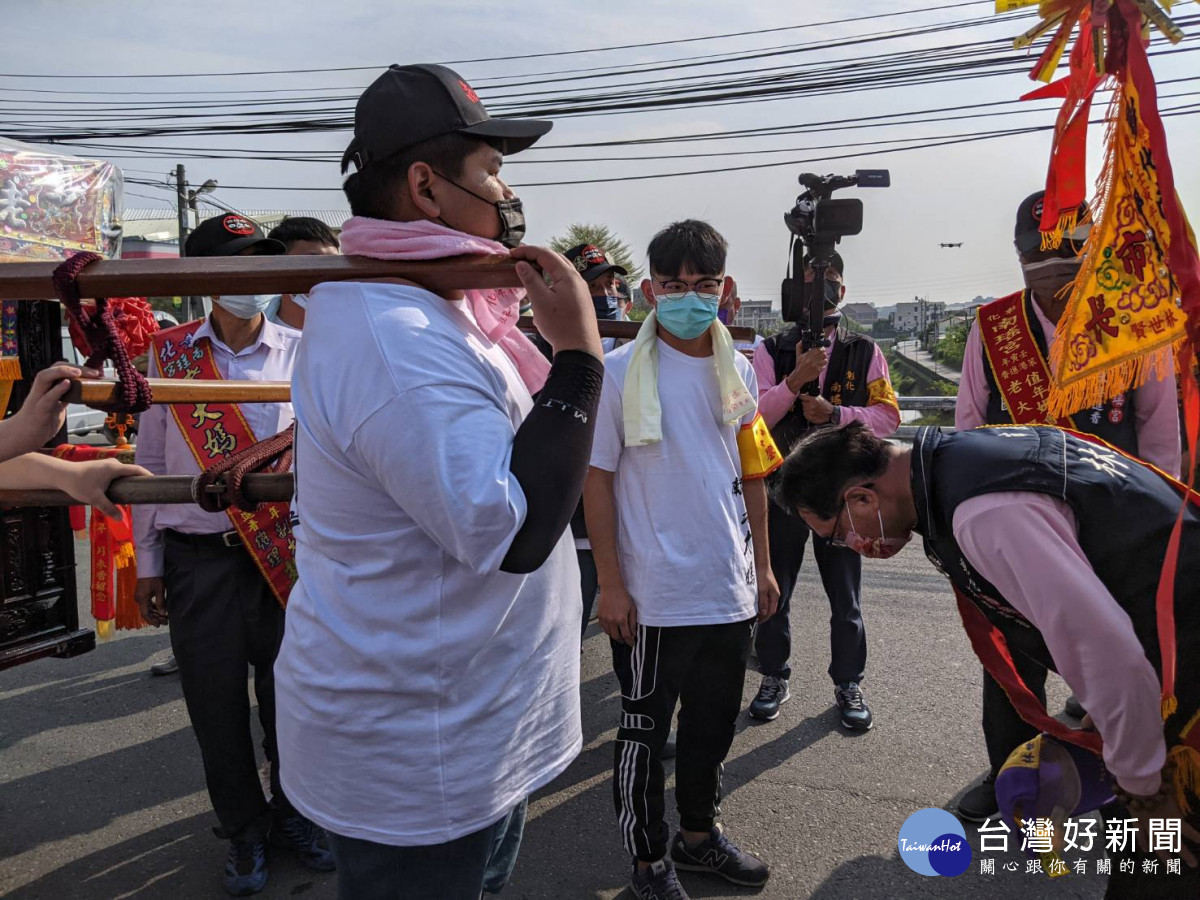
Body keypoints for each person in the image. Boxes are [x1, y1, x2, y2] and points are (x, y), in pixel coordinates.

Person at [272, 63, 605, 900]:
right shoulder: (396, 333)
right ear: (425, 186)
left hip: (471, 725)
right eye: (491, 170)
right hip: (420, 757)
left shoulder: (437, 305)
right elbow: (511, 529)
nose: (508, 191)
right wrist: (578, 358)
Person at [777, 421, 1200, 898]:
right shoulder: (952, 458)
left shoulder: (984, 513)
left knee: (1164, 867)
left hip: (1181, 665)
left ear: (862, 499)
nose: (851, 546)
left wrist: (1146, 788)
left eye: (836, 535)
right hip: (1161, 649)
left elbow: (1108, 655)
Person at [953, 190, 1181, 822]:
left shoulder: (1131, 322)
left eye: (1068, 260)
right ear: (1020, 258)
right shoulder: (993, 328)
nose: (1054, 277)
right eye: (1039, 261)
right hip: (1017, 533)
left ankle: (1123, 778)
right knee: (1012, 661)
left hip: (1113, 527)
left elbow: (1160, 433)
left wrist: (1161, 527)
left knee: (1120, 658)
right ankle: (1005, 773)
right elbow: (970, 427)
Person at [132, 214, 333, 896]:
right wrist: (150, 562)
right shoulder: (170, 354)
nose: (251, 280)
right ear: (206, 278)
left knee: (294, 703)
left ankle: (297, 816)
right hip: (199, 559)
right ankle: (243, 833)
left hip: (286, 558)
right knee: (215, 711)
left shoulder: (304, 349)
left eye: (261, 265)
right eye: (237, 267)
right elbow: (151, 462)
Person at [585, 219, 781, 900]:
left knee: (711, 727)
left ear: (725, 291)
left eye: (703, 286)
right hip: (653, 592)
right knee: (642, 733)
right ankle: (647, 862)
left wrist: (760, 566)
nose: (688, 297)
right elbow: (597, 481)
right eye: (674, 285)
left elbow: (750, 471)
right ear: (649, 290)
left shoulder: (740, 368)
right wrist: (610, 584)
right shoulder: (618, 375)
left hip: (724, 586)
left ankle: (697, 838)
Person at [747, 253, 899, 728]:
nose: (820, 290)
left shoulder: (864, 350)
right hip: (783, 491)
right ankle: (773, 674)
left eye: (830, 280)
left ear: (843, 290)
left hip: (844, 494)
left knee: (845, 597)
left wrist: (836, 415)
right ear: (795, 289)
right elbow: (751, 418)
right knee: (775, 592)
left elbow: (888, 418)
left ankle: (849, 682)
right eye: (810, 281)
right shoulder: (770, 348)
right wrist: (793, 381)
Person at [562, 243, 629, 638]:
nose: (606, 293)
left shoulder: (634, 346)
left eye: (610, 283)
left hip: (624, 501)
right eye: (594, 285)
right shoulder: (545, 343)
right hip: (571, 508)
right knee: (567, 624)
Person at [265, 217, 342, 331]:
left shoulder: (355, 328)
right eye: (312, 262)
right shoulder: (251, 334)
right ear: (279, 267)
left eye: (334, 262)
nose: (326, 273)